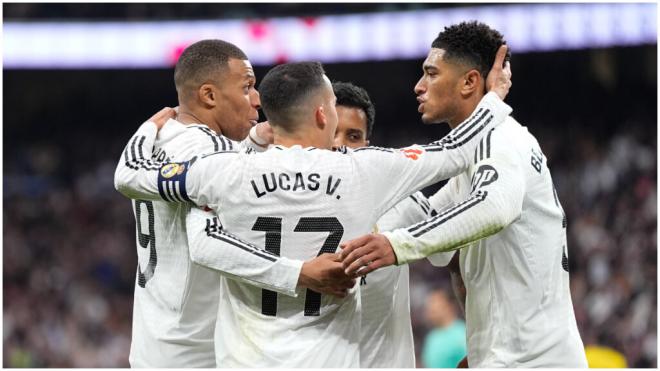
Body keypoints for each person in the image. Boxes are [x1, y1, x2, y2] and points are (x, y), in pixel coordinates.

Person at [114, 52, 512, 366]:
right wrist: (493, 98)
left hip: (243, 360)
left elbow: (134, 177)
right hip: (330, 359)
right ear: (324, 114)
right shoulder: (365, 170)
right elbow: (455, 150)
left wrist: (149, 129)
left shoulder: (224, 170)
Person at [340, 21, 589, 367]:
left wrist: (397, 244)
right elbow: (433, 226)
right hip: (509, 355)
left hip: (532, 360)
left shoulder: (501, 139)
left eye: (431, 74)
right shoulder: (472, 158)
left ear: (470, 82)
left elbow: (494, 206)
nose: (418, 86)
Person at [121, 39, 352, 368]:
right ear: (209, 95)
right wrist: (298, 273)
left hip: (153, 345)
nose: (257, 100)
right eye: (247, 87)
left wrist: (254, 143)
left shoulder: (163, 137)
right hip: (199, 352)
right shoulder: (210, 150)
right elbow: (208, 241)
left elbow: (208, 179)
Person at [332, 81, 435, 368]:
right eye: (332, 132)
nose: (340, 145)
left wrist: (476, 339)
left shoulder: (402, 202)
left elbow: (455, 261)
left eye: (353, 136)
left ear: (367, 145)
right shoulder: (287, 201)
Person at [421, 288, 467, 368]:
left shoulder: (463, 333)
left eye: (436, 304)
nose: (431, 309)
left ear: (449, 306)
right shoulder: (431, 338)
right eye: (430, 305)